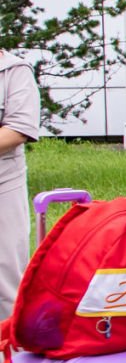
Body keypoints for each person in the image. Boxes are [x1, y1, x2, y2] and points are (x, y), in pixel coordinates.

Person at [0, 47, 42, 314]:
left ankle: (7, 338)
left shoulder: (14, 71)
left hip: (3, 184)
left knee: (5, 275)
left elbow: (17, 130)